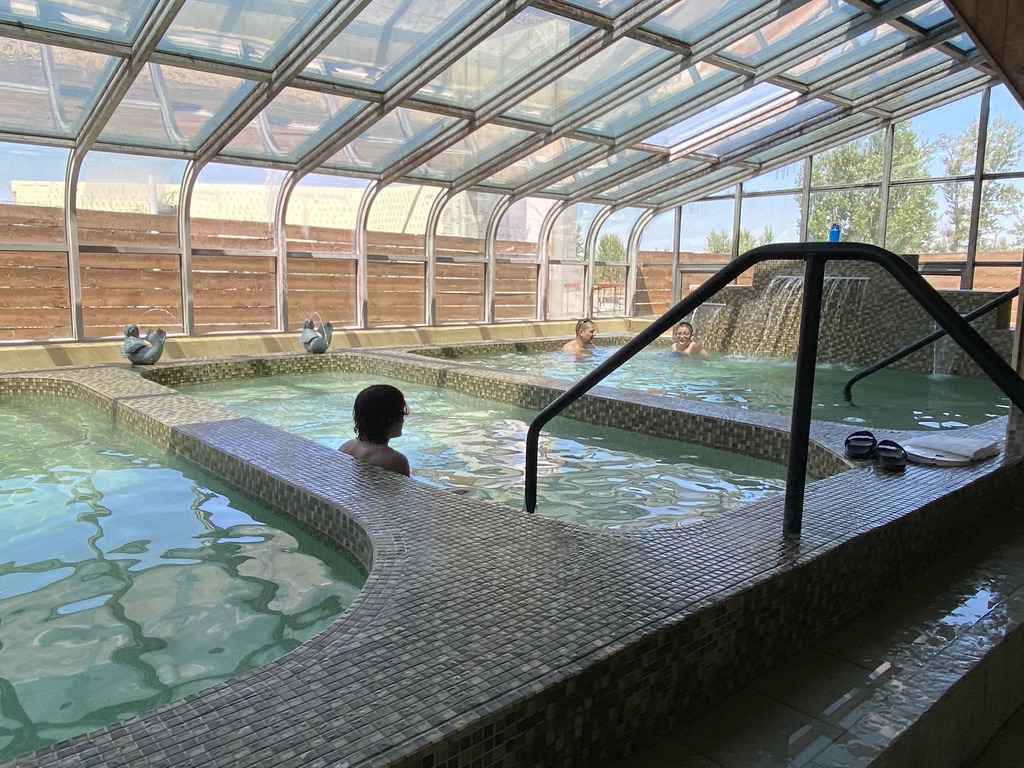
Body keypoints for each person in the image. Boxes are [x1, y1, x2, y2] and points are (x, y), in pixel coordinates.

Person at [339, 384, 411, 476]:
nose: (403, 420)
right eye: (401, 414)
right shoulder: (396, 460)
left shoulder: (346, 447)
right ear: (390, 419)